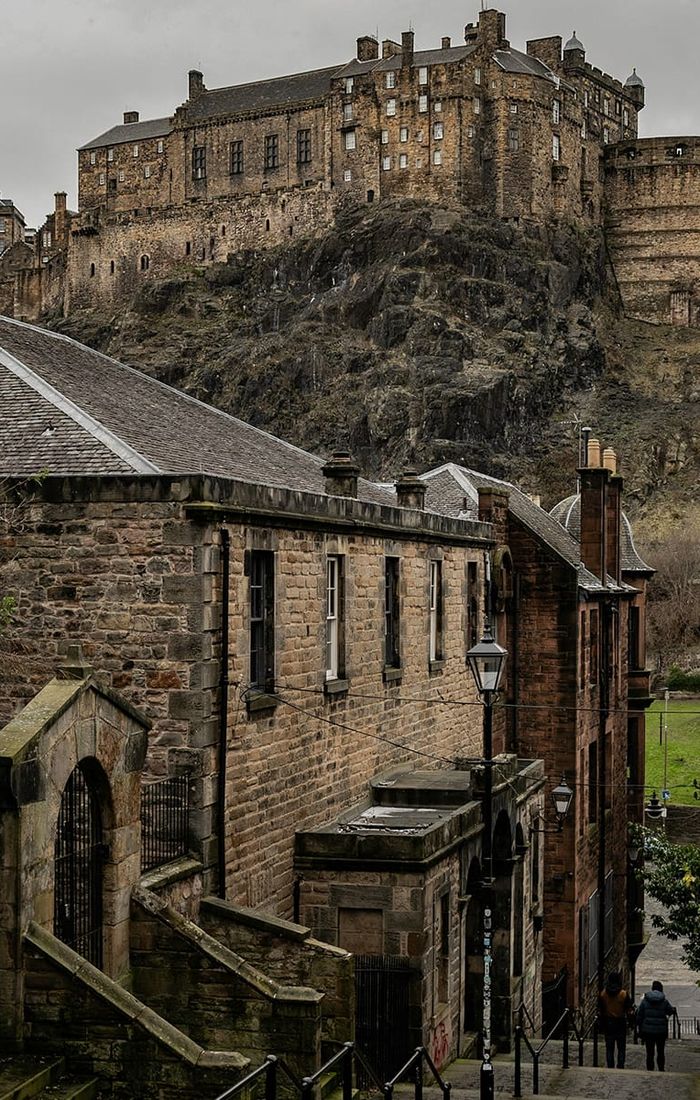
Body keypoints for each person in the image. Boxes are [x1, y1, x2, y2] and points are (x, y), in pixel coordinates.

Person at [597, 971, 635, 1068]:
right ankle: (620, 1065)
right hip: (620, 1022)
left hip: (608, 1023)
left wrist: (601, 1025)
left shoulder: (603, 994)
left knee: (609, 1047)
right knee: (621, 1047)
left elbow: (600, 1010)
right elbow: (629, 1010)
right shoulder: (623, 994)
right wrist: (631, 1023)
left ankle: (610, 1066)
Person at [637, 980, 675, 1071]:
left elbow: (639, 1015)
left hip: (648, 1030)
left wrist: (640, 1028)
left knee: (650, 1053)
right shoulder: (664, 1001)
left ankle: (650, 1069)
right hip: (661, 1031)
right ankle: (661, 1069)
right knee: (660, 1051)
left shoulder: (645, 1001)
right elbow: (670, 1011)